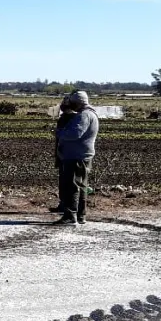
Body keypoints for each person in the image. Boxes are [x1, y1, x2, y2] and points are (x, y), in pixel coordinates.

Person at [53, 91, 99, 225]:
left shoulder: (84, 116)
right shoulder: (91, 114)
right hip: (82, 155)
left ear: (78, 102)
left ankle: (70, 215)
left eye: (72, 102)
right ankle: (80, 215)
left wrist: (59, 133)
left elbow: (75, 133)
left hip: (76, 156)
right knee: (81, 186)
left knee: (71, 186)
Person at [49, 95, 77, 214]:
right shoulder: (64, 118)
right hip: (62, 152)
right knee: (63, 179)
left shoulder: (73, 118)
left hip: (68, 153)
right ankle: (63, 204)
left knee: (69, 181)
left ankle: (68, 205)